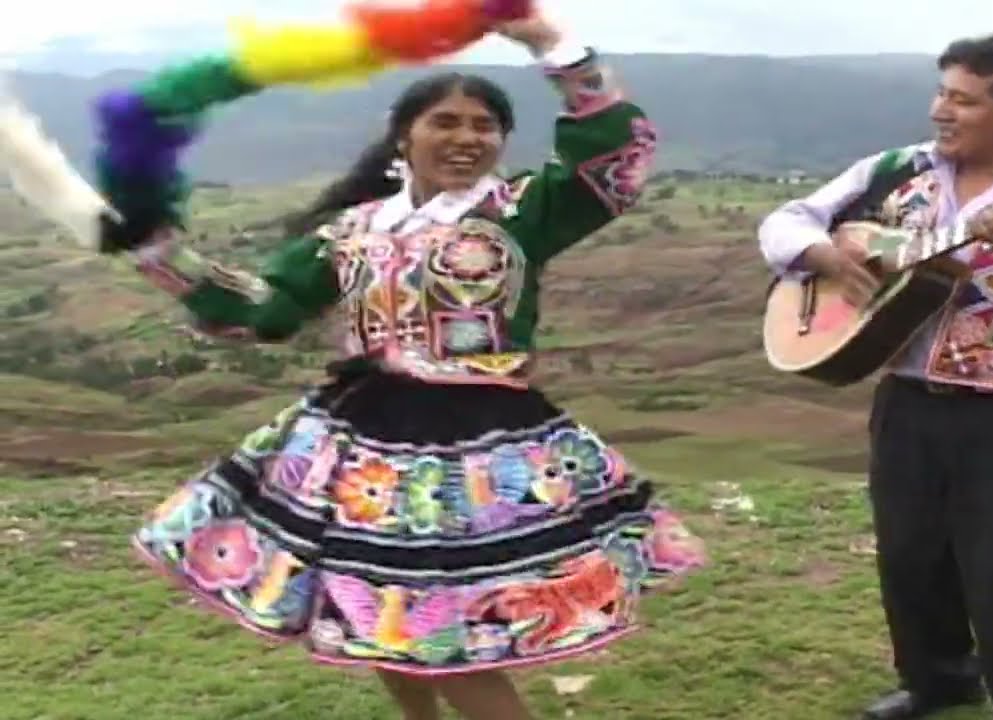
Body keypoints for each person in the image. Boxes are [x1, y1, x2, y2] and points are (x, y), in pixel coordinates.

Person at [1, 13, 706, 720]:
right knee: (373, 614)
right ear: (404, 136)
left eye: (485, 126)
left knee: (452, 633)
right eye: (445, 122)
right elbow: (264, 309)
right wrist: (159, 254)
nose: (467, 137)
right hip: (363, 441)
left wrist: (552, 46)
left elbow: (611, 159)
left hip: (478, 447)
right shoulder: (351, 231)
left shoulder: (523, 211)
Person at [758, 29, 993, 720]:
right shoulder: (895, 170)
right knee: (910, 556)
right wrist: (824, 256)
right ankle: (938, 682)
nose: (941, 110)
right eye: (942, 93)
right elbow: (785, 222)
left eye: (964, 100)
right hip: (908, 398)